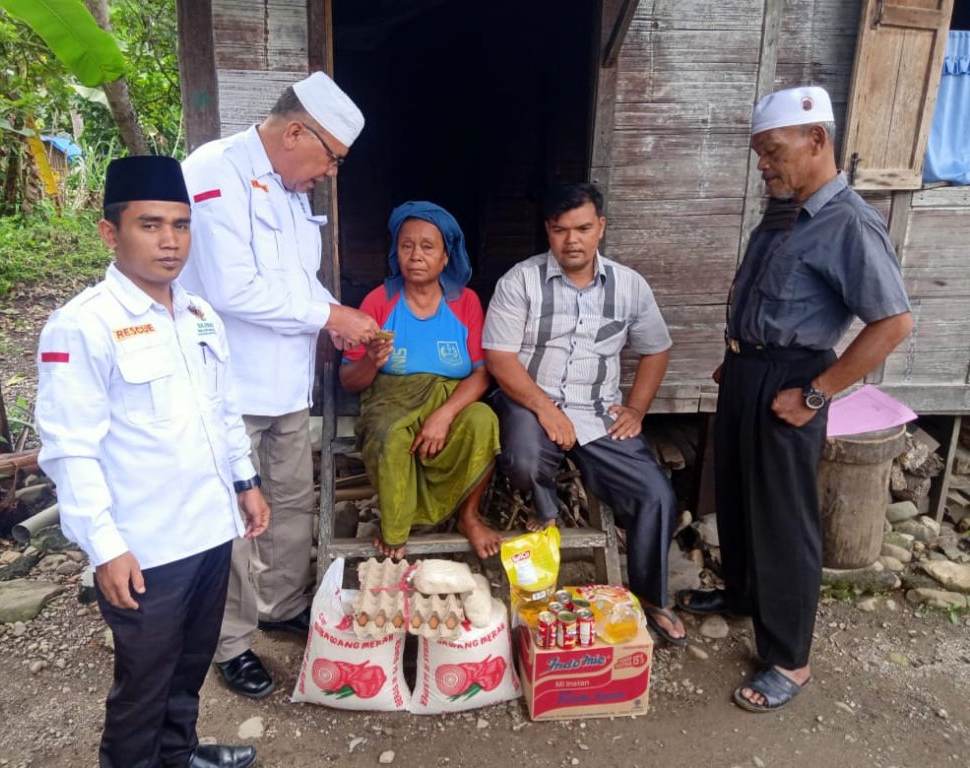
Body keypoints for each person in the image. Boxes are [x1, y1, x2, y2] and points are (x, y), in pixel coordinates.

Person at [675, 86, 913, 713]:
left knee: (783, 516)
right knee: (736, 495)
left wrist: (815, 393)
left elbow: (893, 323)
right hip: (747, 371)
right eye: (758, 153)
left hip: (793, 380)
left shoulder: (849, 222)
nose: (763, 164)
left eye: (773, 151)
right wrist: (738, 357)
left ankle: (789, 658)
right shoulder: (784, 211)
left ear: (816, 139)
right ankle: (742, 595)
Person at [35, 155, 268, 768]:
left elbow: (223, 409)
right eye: (150, 225)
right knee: (143, 681)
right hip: (145, 545)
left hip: (210, 528)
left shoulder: (199, 315)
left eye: (181, 225)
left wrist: (245, 481)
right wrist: (105, 547)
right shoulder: (83, 326)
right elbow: (70, 449)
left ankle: (178, 753)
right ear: (110, 233)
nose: (170, 241)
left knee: (190, 664)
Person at [179, 72, 380, 699]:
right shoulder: (215, 171)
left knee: (291, 501)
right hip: (229, 387)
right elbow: (230, 288)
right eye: (332, 157)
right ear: (296, 133)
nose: (331, 173)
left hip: (287, 385)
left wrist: (333, 320)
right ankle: (231, 643)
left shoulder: (291, 190)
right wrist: (329, 315)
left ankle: (282, 604)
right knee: (235, 516)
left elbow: (297, 279)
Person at [483, 182, 687, 646]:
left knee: (655, 494)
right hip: (528, 401)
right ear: (548, 231)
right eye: (560, 230)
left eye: (582, 228)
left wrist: (636, 408)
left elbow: (657, 349)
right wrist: (545, 409)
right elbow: (499, 358)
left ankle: (653, 598)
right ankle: (546, 509)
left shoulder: (629, 285)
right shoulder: (521, 281)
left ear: (601, 228)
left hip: (598, 411)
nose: (571, 240)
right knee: (524, 460)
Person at [340, 201, 501, 560]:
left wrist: (443, 415)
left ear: (446, 257)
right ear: (396, 253)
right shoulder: (378, 302)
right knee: (389, 432)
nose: (415, 256)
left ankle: (469, 516)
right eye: (406, 246)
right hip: (391, 404)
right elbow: (348, 381)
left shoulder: (465, 302)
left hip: (451, 401)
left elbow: (481, 372)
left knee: (483, 419)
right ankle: (396, 529)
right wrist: (370, 361)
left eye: (428, 247)